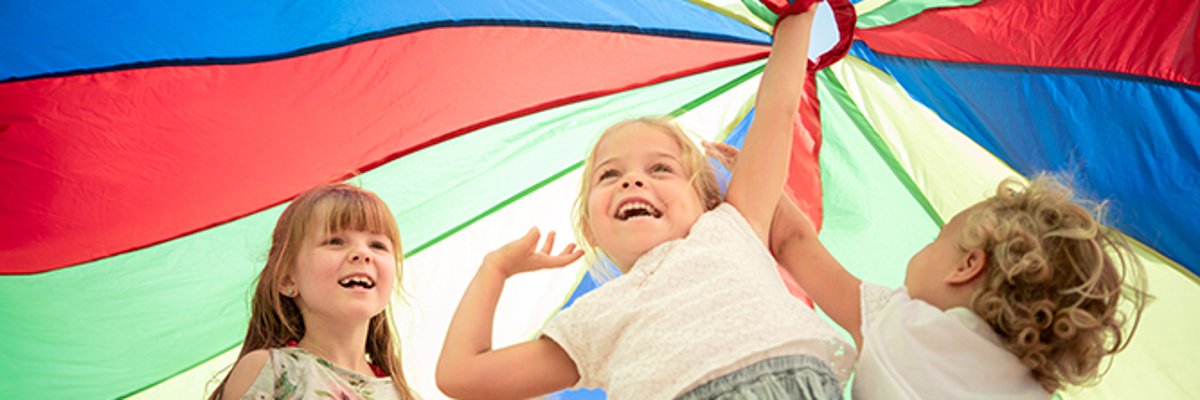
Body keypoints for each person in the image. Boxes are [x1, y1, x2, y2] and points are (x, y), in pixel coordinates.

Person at [436, 3, 854, 399]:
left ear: (708, 201)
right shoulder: (592, 318)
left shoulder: (731, 227)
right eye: (609, 175)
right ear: (589, 229)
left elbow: (776, 110)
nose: (632, 180)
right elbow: (461, 376)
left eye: (661, 170)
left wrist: (797, 18)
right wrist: (496, 269)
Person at [707, 141, 1149, 399]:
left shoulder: (902, 325)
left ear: (966, 266)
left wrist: (749, 172)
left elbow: (791, 242)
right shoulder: (1031, 391)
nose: (928, 243)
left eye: (939, 237)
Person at [210, 183, 415, 400]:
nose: (362, 253)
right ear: (287, 278)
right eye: (335, 242)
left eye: (377, 245)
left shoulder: (402, 394)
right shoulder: (272, 371)